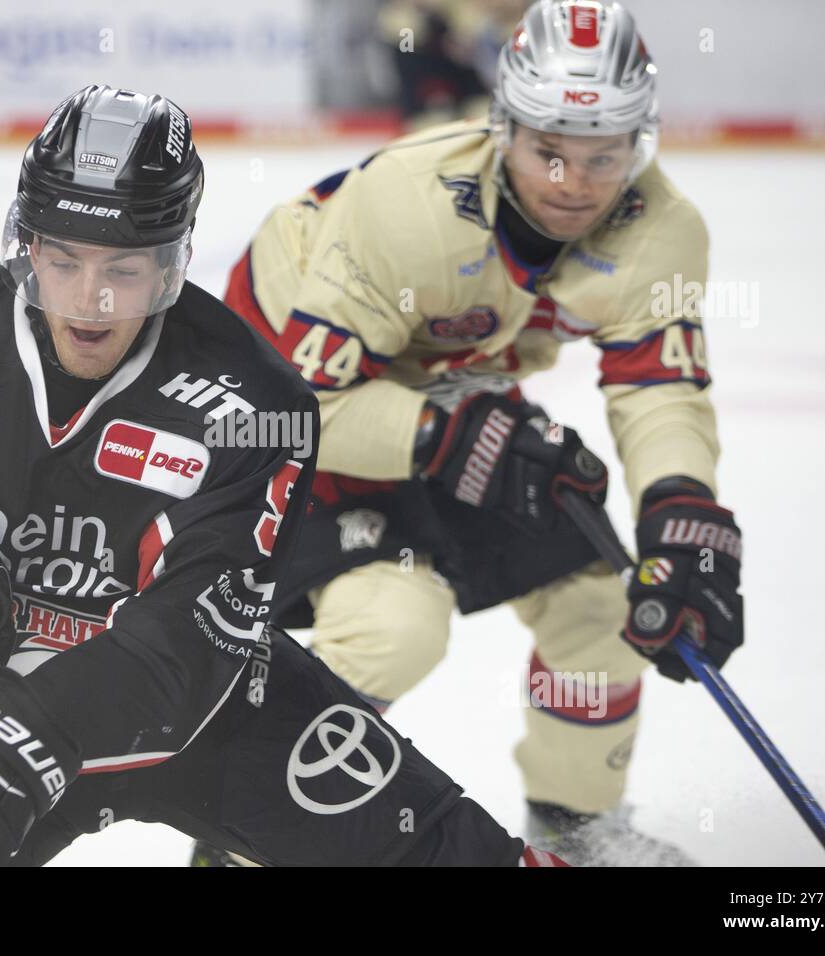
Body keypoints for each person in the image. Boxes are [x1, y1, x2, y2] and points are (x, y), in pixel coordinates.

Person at [0, 84, 563, 867]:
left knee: (454, 855)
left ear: (169, 265)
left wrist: (35, 729)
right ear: (27, 245)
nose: (90, 302)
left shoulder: (256, 404)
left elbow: (190, 646)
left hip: (201, 719)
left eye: (123, 270)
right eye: (65, 260)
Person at [217, 0, 744, 865]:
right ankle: (244, 840)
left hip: (447, 405)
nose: (574, 184)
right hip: (283, 410)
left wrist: (683, 510)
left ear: (640, 144)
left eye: (604, 155)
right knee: (396, 624)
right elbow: (299, 408)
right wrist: (448, 436)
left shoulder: (661, 230)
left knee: (604, 597)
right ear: (503, 129)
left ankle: (575, 827)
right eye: (550, 152)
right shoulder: (406, 202)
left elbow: (661, 387)